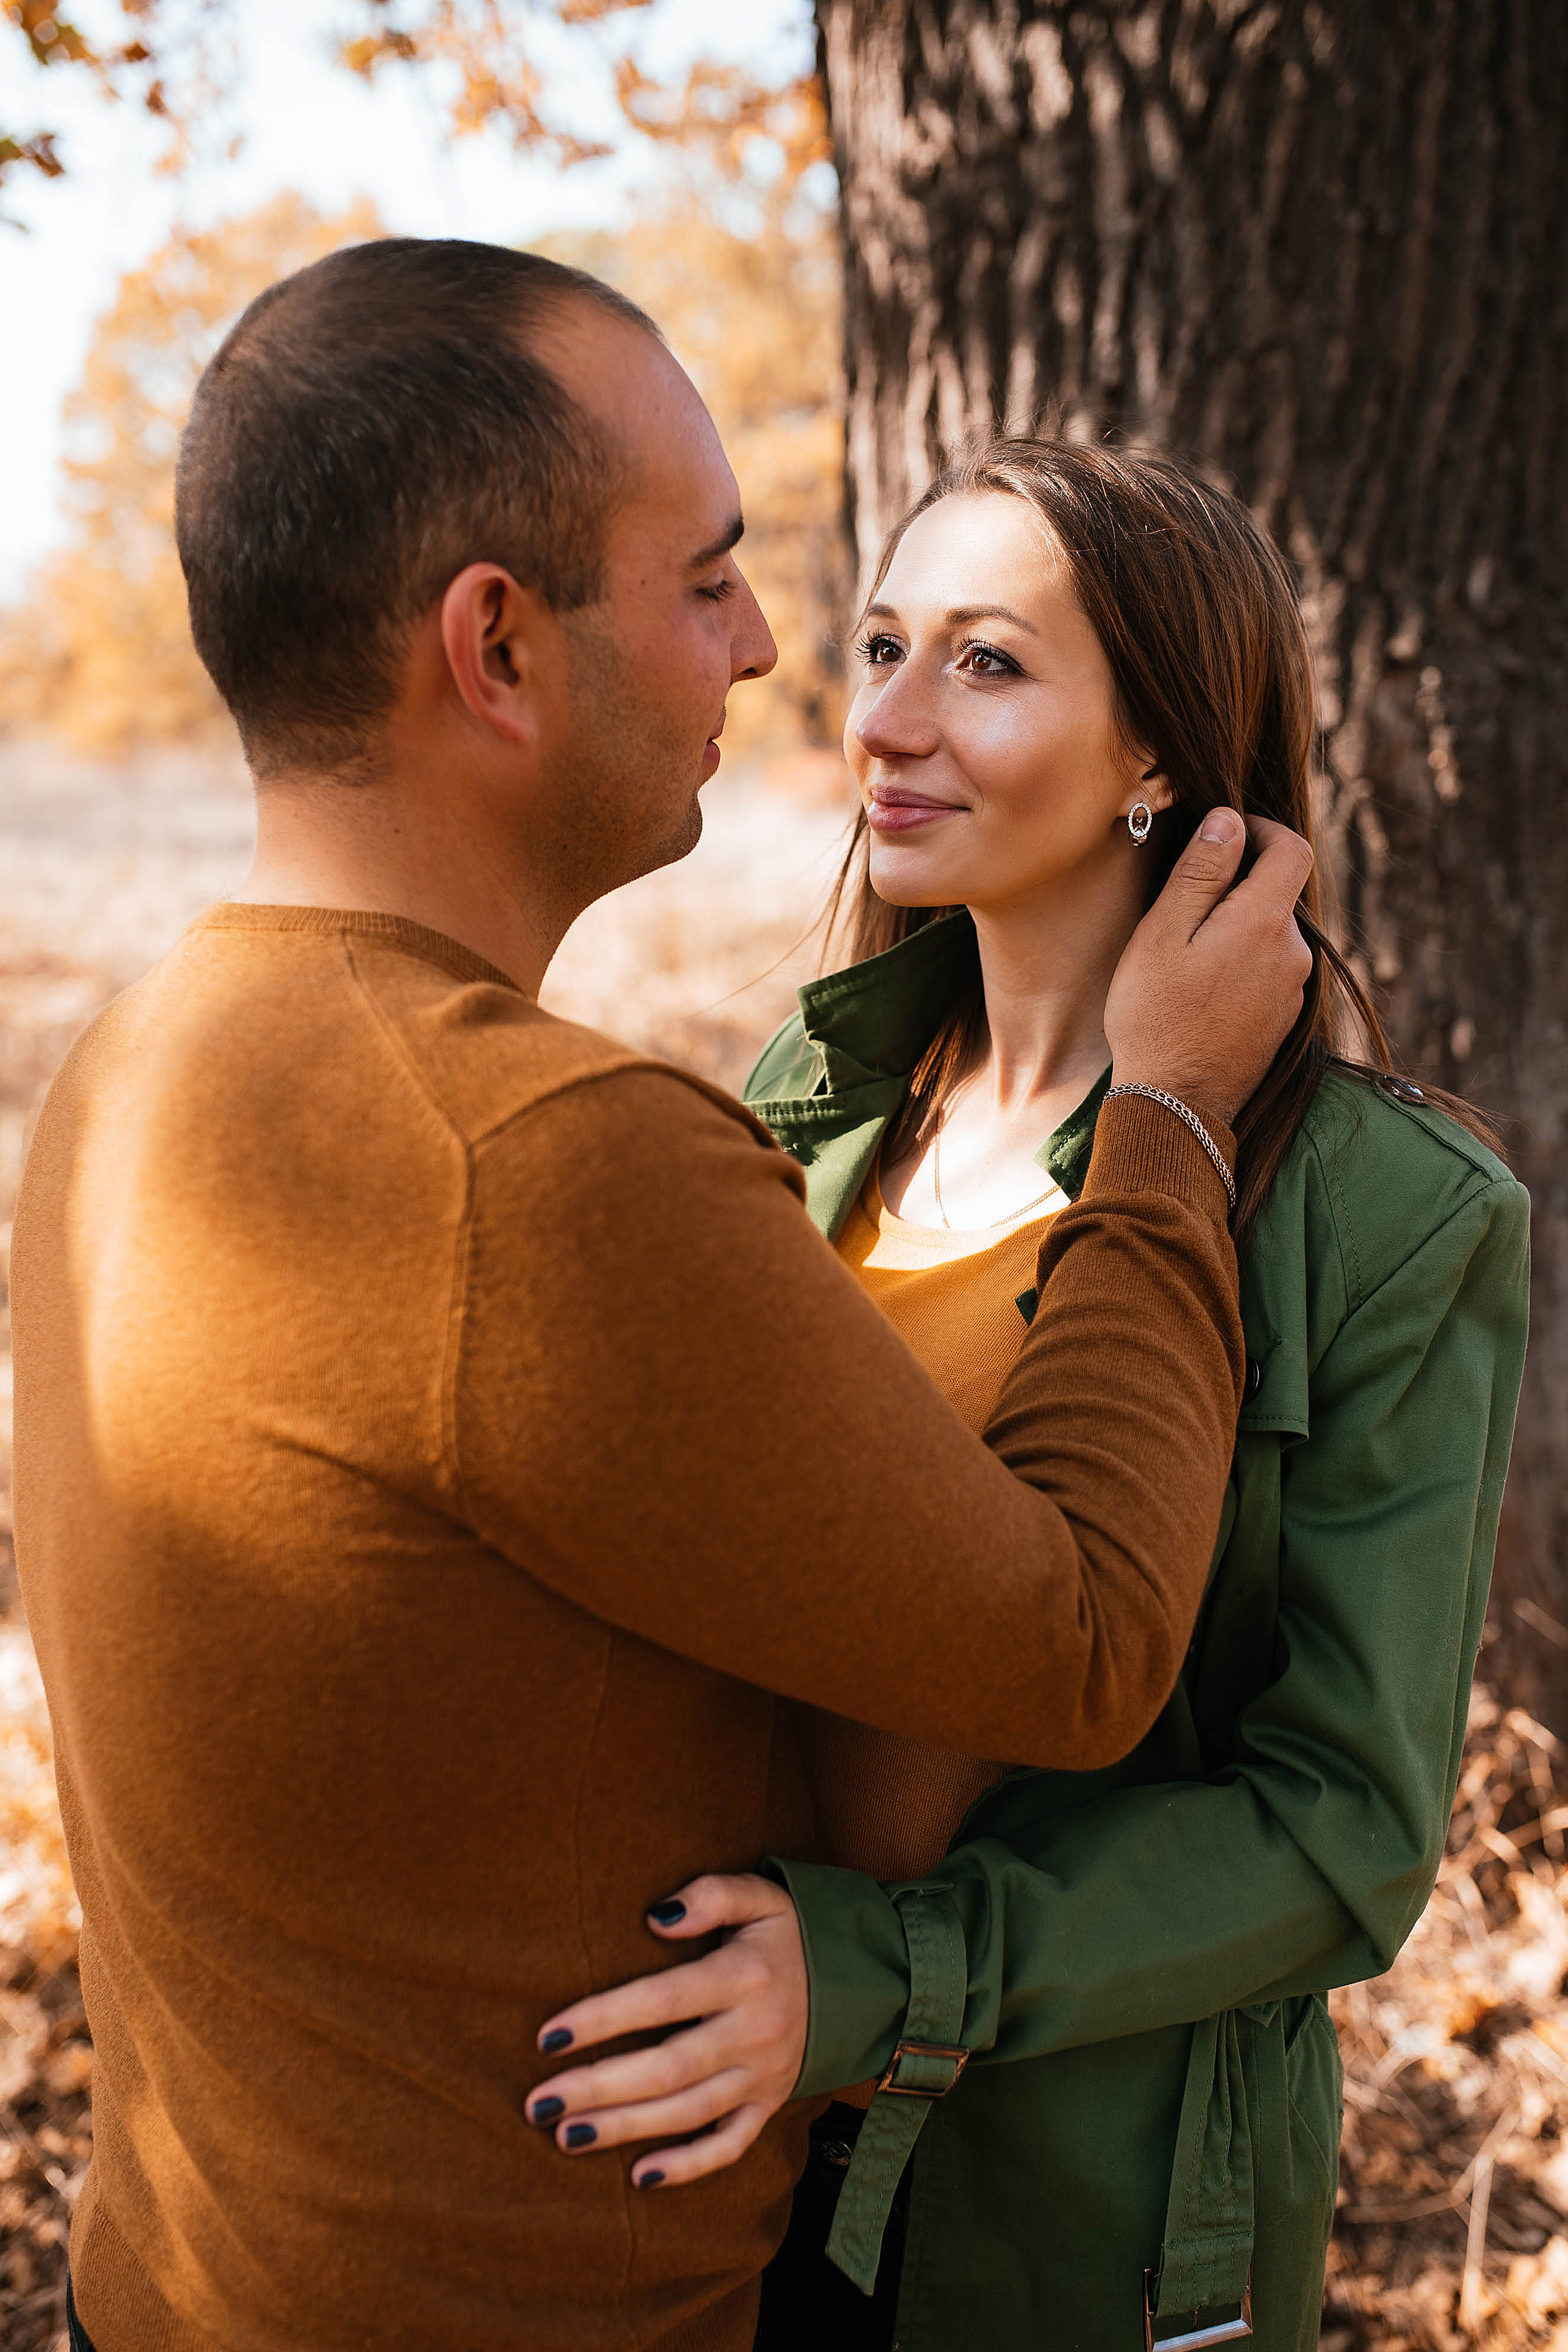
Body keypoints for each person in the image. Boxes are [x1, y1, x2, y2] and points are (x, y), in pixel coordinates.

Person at [9, 250, 1315, 2352]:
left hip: (166, 2293)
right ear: (499, 646)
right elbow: (1071, 1651)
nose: (777, 647)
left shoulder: (138, 1064)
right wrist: (1162, 1113)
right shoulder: (539, 1164)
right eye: (708, 578)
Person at [519, 440, 1531, 2352]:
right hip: (717, 2154)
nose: (885, 721)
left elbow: (1343, 1831)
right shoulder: (804, 1116)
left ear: (1162, 752)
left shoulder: (1392, 1213)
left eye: (985, 664)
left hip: (1067, 2203)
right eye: (884, 644)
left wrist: (884, 1974)